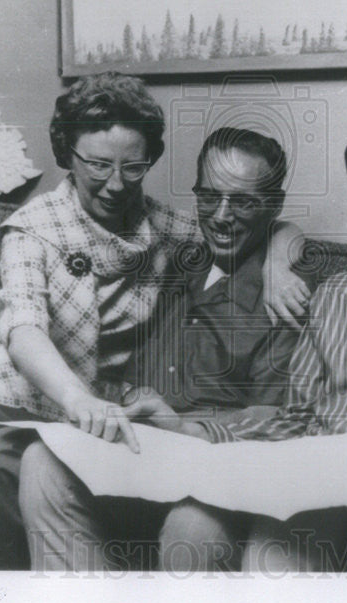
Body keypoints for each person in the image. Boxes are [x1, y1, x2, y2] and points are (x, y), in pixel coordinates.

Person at [0, 73, 309, 569]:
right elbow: (23, 329)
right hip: (26, 387)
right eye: (99, 164)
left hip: (98, 415)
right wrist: (81, 400)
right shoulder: (33, 226)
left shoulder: (169, 232)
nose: (116, 182)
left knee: (6, 451)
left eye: (133, 167)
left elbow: (249, 224)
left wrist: (280, 254)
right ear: (69, 154)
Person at [99, 108, 347, 571]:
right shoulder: (335, 294)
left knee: (274, 553)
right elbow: (294, 417)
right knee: (191, 529)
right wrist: (189, 429)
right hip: (300, 478)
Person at [18, 127, 304, 572]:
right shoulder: (177, 264)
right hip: (143, 455)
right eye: (210, 197)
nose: (222, 215)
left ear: (275, 206)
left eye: (243, 202)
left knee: (192, 529)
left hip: (219, 474)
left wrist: (181, 425)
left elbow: (282, 419)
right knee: (41, 462)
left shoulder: (287, 293)